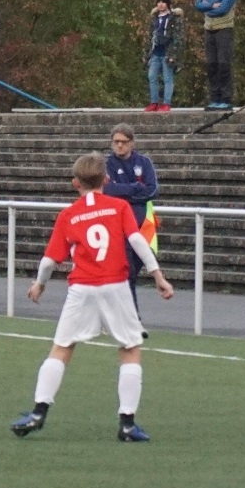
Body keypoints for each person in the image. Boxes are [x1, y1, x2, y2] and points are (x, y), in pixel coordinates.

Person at [10, 152, 174, 442]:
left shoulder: (69, 214)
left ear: (75, 183)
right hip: (116, 286)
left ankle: (38, 413)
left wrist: (39, 285)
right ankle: (127, 424)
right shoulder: (119, 206)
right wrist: (157, 275)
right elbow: (137, 240)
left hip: (82, 288)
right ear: (106, 180)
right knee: (130, 349)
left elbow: (49, 261)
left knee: (62, 348)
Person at [104, 123, 159, 336]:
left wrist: (125, 193)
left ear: (132, 143)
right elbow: (108, 190)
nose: (119, 146)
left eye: (123, 142)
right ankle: (134, 321)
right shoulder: (107, 164)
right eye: (116, 142)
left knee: (131, 272)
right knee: (128, 275)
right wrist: (135, 188)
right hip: (117, 228)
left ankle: (115, 317)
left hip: (143, 227)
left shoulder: (143, 163)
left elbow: (152, 190)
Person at [196, 0, 238, 110]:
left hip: (224, 28)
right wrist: (212, 5)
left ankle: (226, 98)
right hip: (208, 29)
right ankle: (215, 98)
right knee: (211, 64)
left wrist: (207, 7)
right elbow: (198, 5)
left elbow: (223, 9)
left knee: (224, 63)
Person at [144, 0, 184, 112]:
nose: (161, 4)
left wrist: (173, 54)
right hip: (155, 52)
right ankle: (154, 102)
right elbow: (149, 37)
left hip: (167, 52)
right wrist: (146, 54)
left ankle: (166, 103)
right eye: (159, 2)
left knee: (167, 78)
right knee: (152, 76)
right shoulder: (154, 18)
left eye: (163, 2)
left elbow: (178, 38)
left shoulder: (174, 19)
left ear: (168, 4)